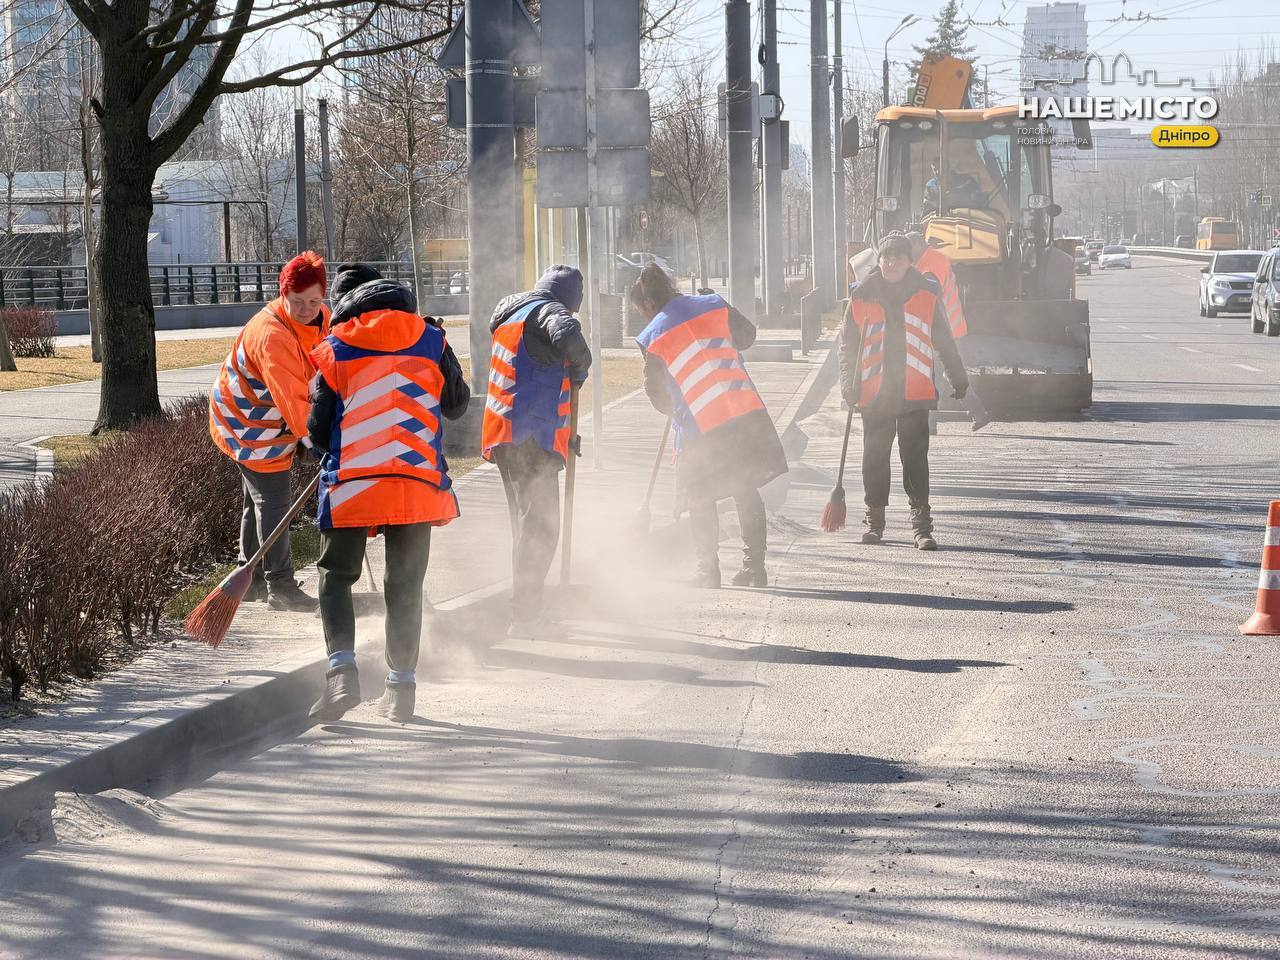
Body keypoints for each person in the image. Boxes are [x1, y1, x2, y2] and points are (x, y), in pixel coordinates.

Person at [306, 264, 470, 723]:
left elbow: (318, 433)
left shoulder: (335, 348)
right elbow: (457, 406)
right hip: (417, 484)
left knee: (336, 577)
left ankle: (342, 677)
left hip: (354, 485)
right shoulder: (434, 341)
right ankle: (401, 693)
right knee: (405, 586)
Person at [631, 264, 787, 588]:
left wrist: (674, 409)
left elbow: (655, 390)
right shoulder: (712, 305)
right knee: (745, 488)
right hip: (741, 409)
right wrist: (724, 305)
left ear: (646, 304)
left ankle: (707, 570)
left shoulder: (655, 333)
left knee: (699, 497)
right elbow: (747, 336)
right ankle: (754, 568)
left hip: (700, 424)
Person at [208, 251, 330, 612]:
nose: (308, 309)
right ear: (282, 294)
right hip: (249, 419)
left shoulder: (323, 317)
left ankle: (252, 581)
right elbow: (293, 400)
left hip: (271, 413)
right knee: (274, 501)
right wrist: (317, 440)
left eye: (315, 301)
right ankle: (281, 586)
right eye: (298, 302)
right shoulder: (272, 335)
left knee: (257, 500)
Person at [840, 233, 970, 550]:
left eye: (899, 257)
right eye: (887, 257)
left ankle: (921, 527)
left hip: (915, 392)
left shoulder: (926, 293)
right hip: (875, 394)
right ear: (879, 260)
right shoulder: (861, 296)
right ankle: (874, 522)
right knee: (874, 459)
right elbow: (847, 347)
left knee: (914, 460)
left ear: (910, 261)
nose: (892, 262)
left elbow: (943, 339)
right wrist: (848, 384)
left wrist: (958, 375)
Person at [482, 264, 592, 639]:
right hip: (530, 435)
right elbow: (572, 342)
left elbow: (532, 374)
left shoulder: (511, 313)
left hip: (504, 433)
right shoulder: (550, 311)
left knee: (527, 523)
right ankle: (525, 617)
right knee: (542, 527)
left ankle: (526, 607)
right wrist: (580, 368)